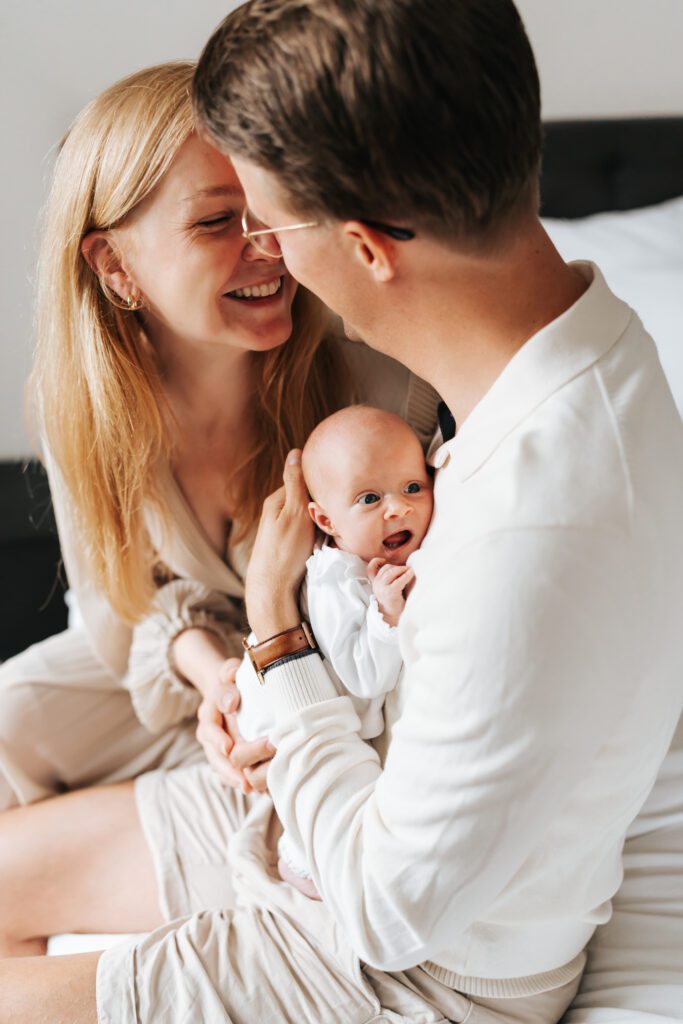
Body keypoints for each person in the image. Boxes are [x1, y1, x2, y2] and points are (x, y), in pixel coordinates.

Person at [2, 2, 682, 1022]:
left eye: (267, 217)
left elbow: (383, 911)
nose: (267, 254)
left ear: (361, 247)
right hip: (340, 811)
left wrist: (275, 634)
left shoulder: (511, 522)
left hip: (389, 949)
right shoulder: (581, 362)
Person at [0, 59, 438, 961]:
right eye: (214, 223)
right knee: (10, 715)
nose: (268, 247)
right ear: (114, 265)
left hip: (332, 662)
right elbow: (123, 615)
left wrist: (263, 683)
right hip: (180, 661)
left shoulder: (374, 389)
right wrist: (210, 682)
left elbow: (394, 607)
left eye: (268, 208)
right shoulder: (84, 406)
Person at [129, 405, 433, 896]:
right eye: (370, 498)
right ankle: (300, 860)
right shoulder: (338, 584)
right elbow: (363, 678)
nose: (397, 509)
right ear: (325, 520)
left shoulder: (359, 567)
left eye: (413, 488)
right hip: (268, 712)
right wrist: (386, 618)